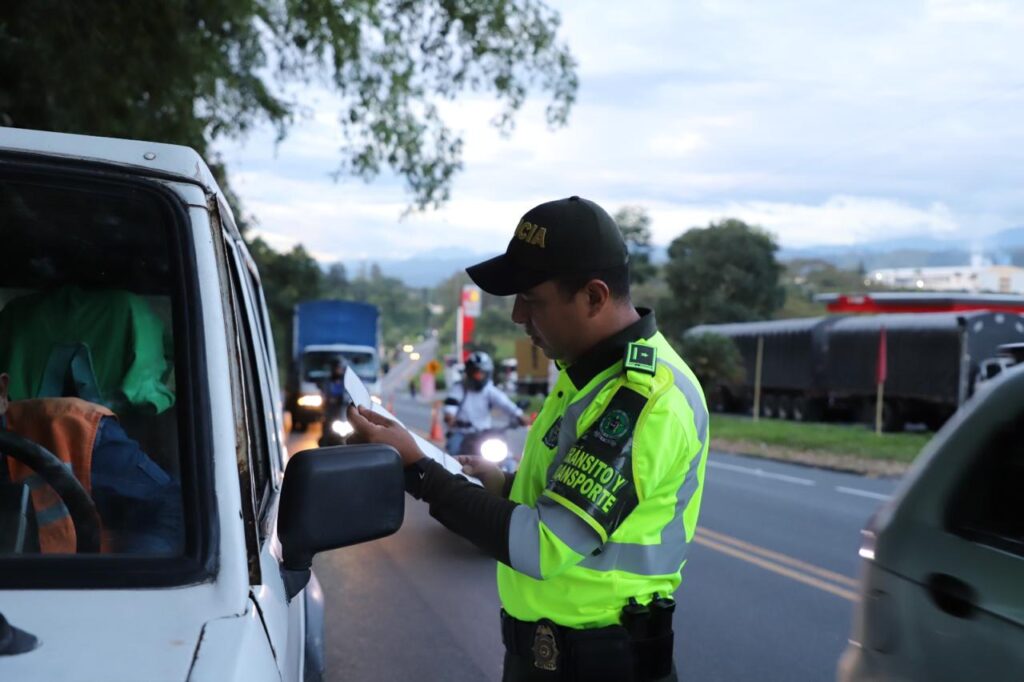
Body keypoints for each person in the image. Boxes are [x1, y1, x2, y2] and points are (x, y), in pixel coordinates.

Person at [349, 196, 708, 681]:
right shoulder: (585, 371)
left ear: (595, 297)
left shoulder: (642, 398)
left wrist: (421, 471)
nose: (518, 316)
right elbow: (565, 495)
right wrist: (499, 482)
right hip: (547, 658)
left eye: (533, 300)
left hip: (602, 665)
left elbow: (542, 545)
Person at [0, 372, 183, 555]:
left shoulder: (77, 431)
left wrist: (123, 577)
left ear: (2, 392)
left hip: (81, 579)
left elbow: (172, 510)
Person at [443, 351, 525, 456]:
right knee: (454, 456)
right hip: (461, 434)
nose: (478, 376)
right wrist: (449, 416)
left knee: (507, 459)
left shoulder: (489, 390)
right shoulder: (459, 388)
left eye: (482, 373)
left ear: (488, 373)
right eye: (475, 373)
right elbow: (450, 407)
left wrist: (520, 415)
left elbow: (505, 404)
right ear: (468, 372)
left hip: (484, 435)